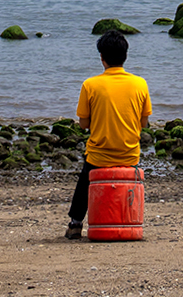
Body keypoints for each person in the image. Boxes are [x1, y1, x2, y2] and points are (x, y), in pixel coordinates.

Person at [66, 29, 151, 239]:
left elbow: (83, 124)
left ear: (101, 57)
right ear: (125, 56)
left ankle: (76, 223)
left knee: (85, 181)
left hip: (99, 156)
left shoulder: (90, 85)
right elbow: (144, 123)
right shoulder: (140, 84)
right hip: (129, 155)